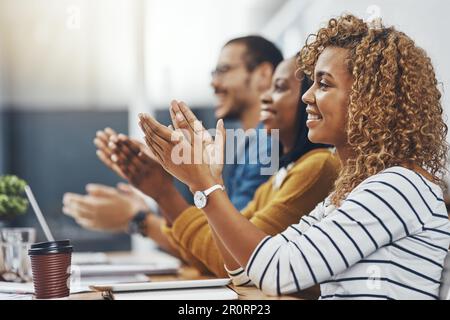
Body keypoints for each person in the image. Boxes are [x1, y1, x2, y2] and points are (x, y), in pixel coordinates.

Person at [140, 14, 450, 299]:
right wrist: (207, 180)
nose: (307, 95)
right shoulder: (346, 196)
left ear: (370, 101)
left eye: (324, 84)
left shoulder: (398, 187)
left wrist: (206, 185)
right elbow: (247, 274)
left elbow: (279, 271)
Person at [111, 57, 339, 280]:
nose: (266, 97)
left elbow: (233, 261)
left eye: (279, 88)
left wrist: (180, 189)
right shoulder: (283, 173)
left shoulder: (317, 166)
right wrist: (205, 183)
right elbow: (227, 255)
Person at [63, 36, 282, 256]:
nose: (214, 84)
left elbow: (227, 251)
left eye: (224, 70)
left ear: (263, 75)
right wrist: (157, 194)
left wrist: (141, 215)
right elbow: (216, 243)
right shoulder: (249, 144)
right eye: (213, 74)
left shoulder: (268, 145)